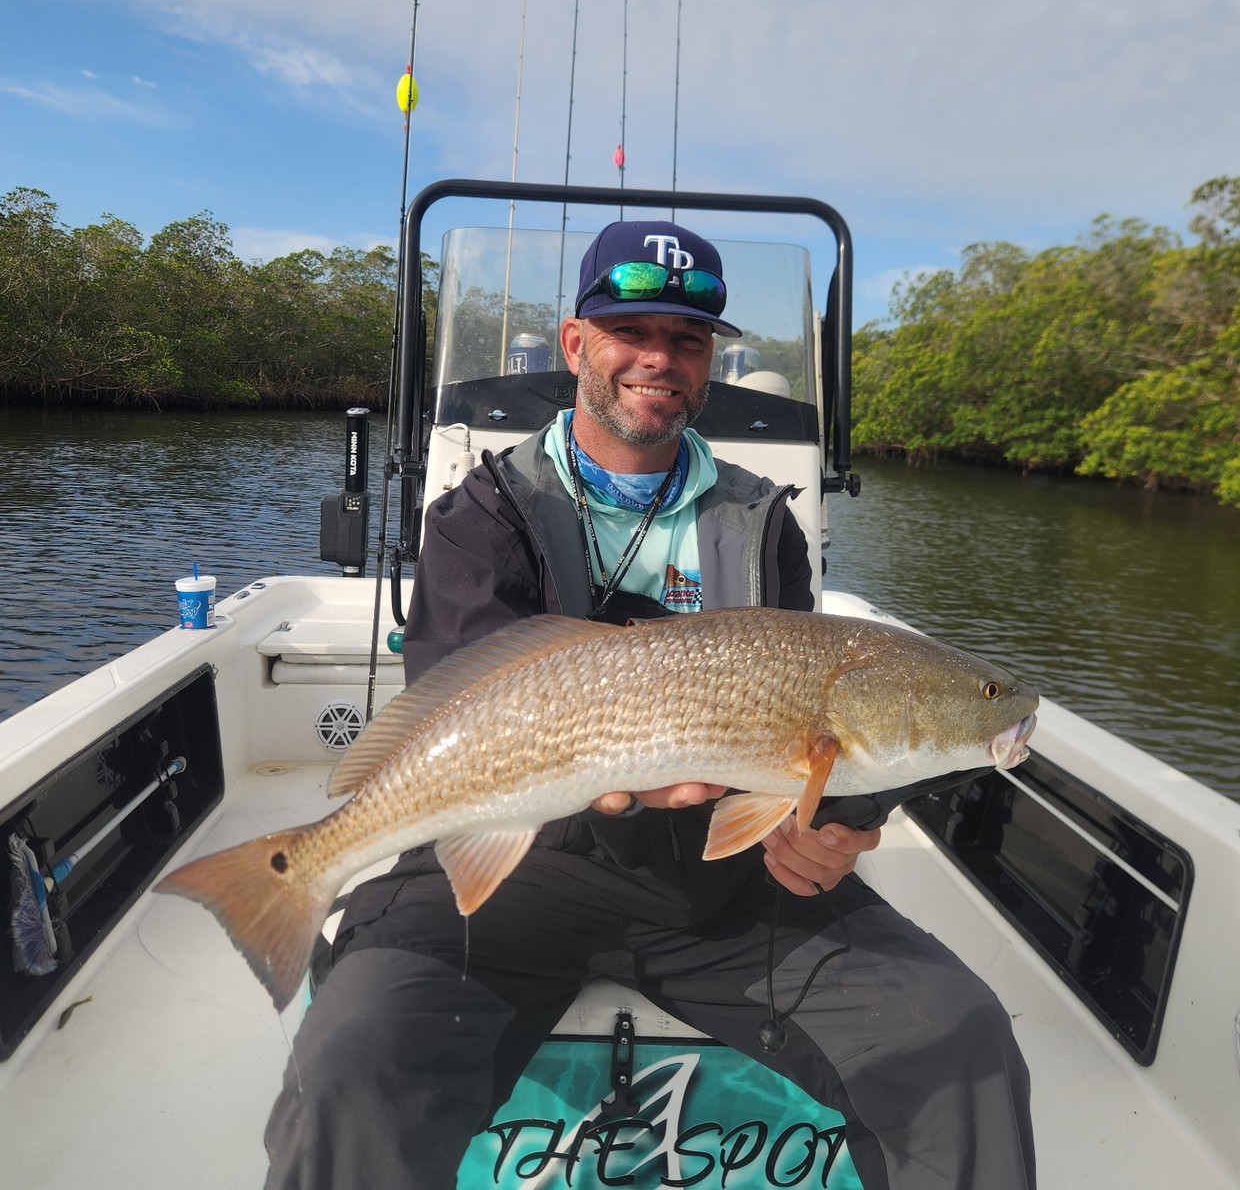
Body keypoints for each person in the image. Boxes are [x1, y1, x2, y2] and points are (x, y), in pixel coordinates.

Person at [264, 220, 1036, 1189]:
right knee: (354, 1060)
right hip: (521, 866)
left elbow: (812, 715)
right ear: (577, 344)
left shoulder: (762, 519)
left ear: (710, 361)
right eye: (632, 331)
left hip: (718, 886)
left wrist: (838, 822)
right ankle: (293, 884)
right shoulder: (479, 513)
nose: (658, 359)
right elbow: (454, 704)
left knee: (955, 1037)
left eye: (687, 338)